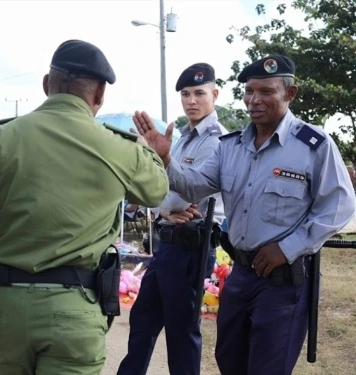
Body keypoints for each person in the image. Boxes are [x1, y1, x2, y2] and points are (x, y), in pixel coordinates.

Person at [0, 39, 169, 375]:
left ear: (46, 84)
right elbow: (156, 192)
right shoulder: (120, 149)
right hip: (76, 313)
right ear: (99, 95)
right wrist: (159, 155)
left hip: (7, 310)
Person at [132, 54, 356, 375]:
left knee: (266, 367)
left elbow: (339, 205)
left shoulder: (313, 145)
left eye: (266, 92)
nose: (254, 100)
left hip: (282, 282)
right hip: (240, 275)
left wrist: (288, 248)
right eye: (249, 91)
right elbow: (194, 186)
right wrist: (166, 159)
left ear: (289, 94)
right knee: (229, 360)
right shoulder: (231, 146)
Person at [118, 62, 227, 375]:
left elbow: (182, 191)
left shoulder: (216, 141)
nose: (191, 100)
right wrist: (162, 209)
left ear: (215, 94)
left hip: (191, 248)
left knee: (181, 335)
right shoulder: (182, 139)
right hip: (168, 246)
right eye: (185, 94)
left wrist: (164, 198)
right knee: (142, 322)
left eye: (199, 93)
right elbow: (159, 191)